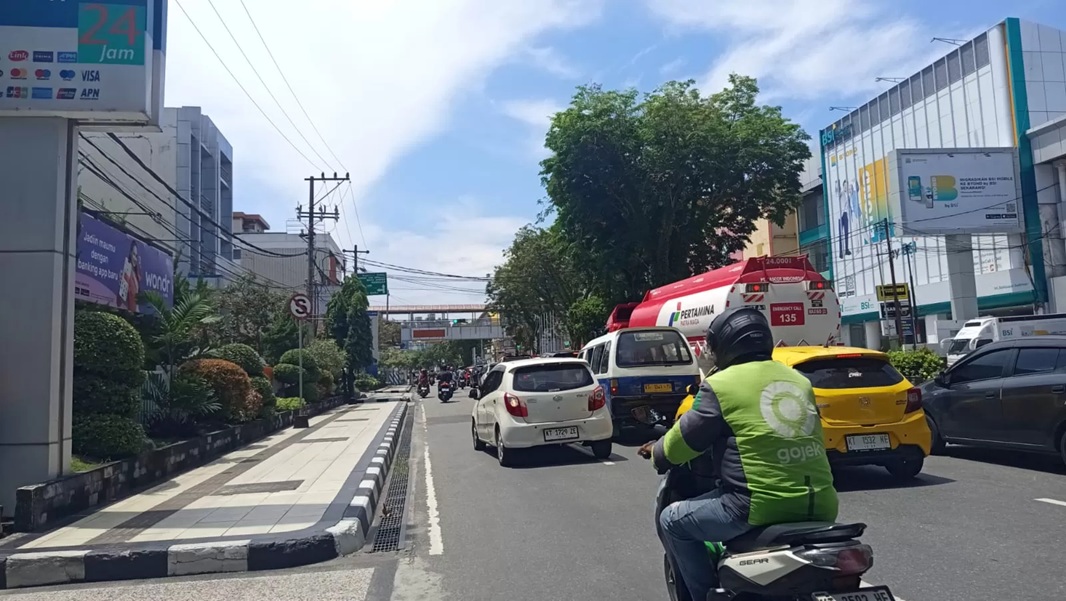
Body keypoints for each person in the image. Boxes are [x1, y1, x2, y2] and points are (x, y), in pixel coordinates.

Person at [639, 307, 838, 600]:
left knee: (672, 520)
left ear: (725, 346)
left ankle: (703, 595)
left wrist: (657, 452)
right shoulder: (799, 381)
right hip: (821, 503)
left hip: (754, 505)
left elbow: (683, 441)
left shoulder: (721, 385)